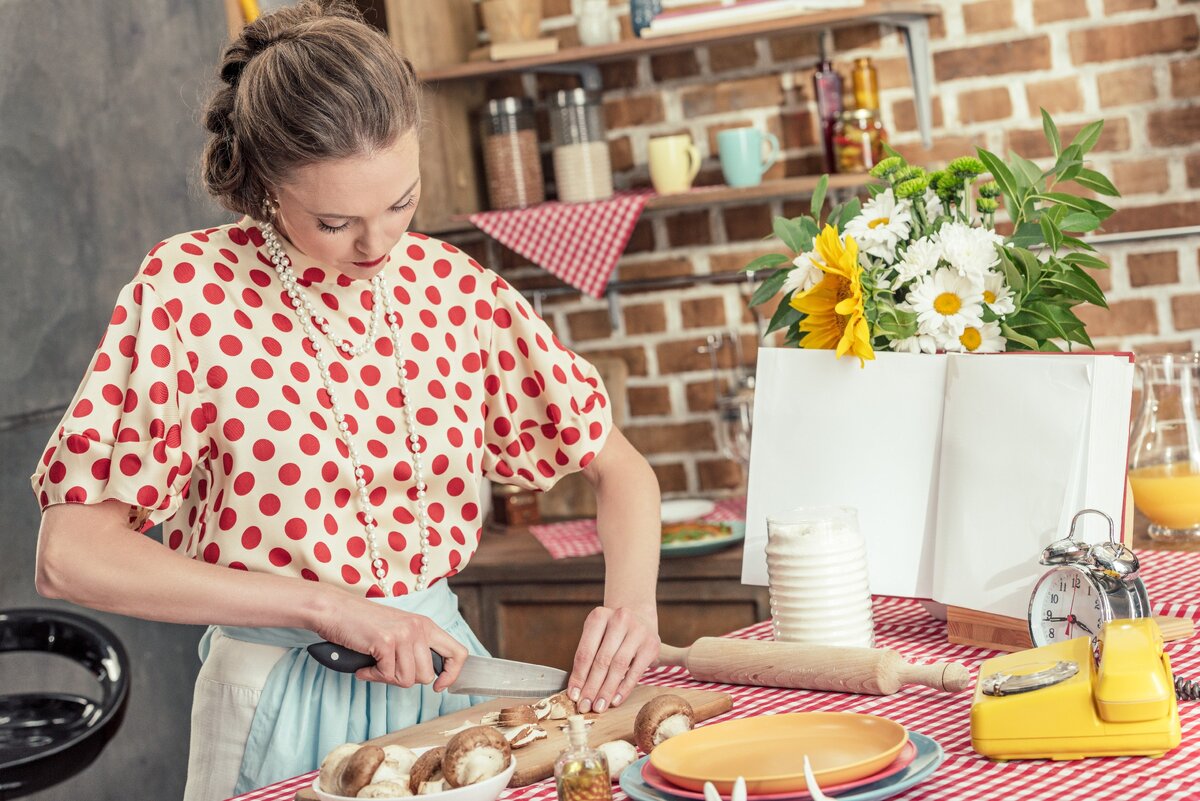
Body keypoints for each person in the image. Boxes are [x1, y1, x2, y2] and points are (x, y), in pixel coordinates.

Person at [30, 2, 662, 798]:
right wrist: (326, 607)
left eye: (402, 202)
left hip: (442, 689)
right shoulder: (188, 292)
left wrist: (632, 607)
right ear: (262, 184)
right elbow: (71, 554)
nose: (377, 246)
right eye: (336, 220)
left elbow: (621, 469)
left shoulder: (457, 291)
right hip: (276, 695)